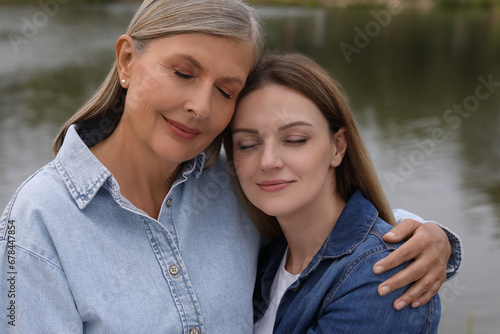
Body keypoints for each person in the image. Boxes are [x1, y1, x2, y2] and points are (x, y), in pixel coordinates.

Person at [0, 0, 460, 333]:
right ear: (126, 61)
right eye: (183, 73)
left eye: (226, 90)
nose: (200, 106)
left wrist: (424, 233)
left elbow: (325, 233)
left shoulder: (233, 189)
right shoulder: (37, 222)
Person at [223, 52, 444, 333]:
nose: (268, 161)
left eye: (294, 140)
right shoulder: (266, 256)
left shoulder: (382, 275)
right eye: (247, 144)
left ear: (338, 147)